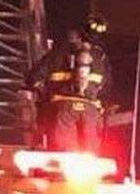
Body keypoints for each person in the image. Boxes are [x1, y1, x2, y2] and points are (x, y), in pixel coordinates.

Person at [30, 17, 112, 153]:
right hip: (91, 109)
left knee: (64, 156)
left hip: (63, 109)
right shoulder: (101, 57)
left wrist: (43, 96)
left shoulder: (56, 54)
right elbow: (107, 86)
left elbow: (33, 79)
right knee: (90, 156)